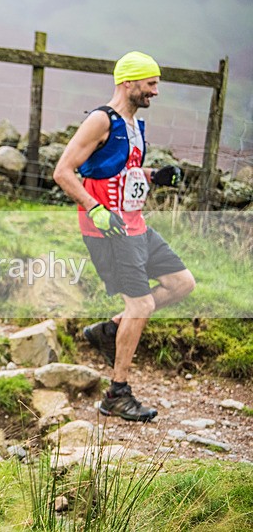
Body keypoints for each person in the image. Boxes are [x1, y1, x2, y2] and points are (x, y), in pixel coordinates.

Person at [53, 51, 195, 422]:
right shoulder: (101, 119)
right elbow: (63, 171)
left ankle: (110, 330)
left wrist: (153, 177)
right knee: (142, 305)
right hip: (109, 230)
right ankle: (117, 394)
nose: (156, 92)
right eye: (151, 84)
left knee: (182, 283)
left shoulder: (135, 125)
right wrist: (95, 209)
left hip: (136, 224)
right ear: (128, 82)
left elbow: (116, 171)